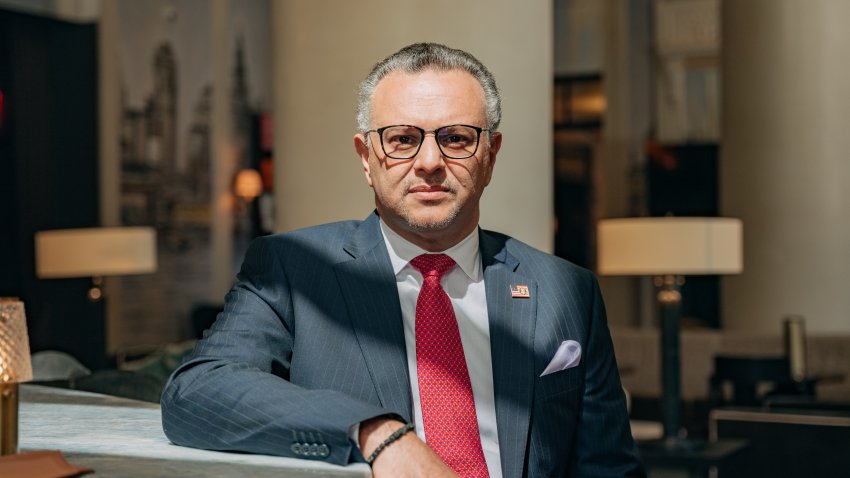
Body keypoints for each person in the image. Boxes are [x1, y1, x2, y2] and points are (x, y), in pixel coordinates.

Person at [161, 42, 644, 478]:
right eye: (402, 138)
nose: (430, 161)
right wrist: (375, 433)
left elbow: (609, 469)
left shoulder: (565, 290)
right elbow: (197, 392)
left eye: (456, 138)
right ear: (366, 157)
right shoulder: (291, 268)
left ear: (491, 155)